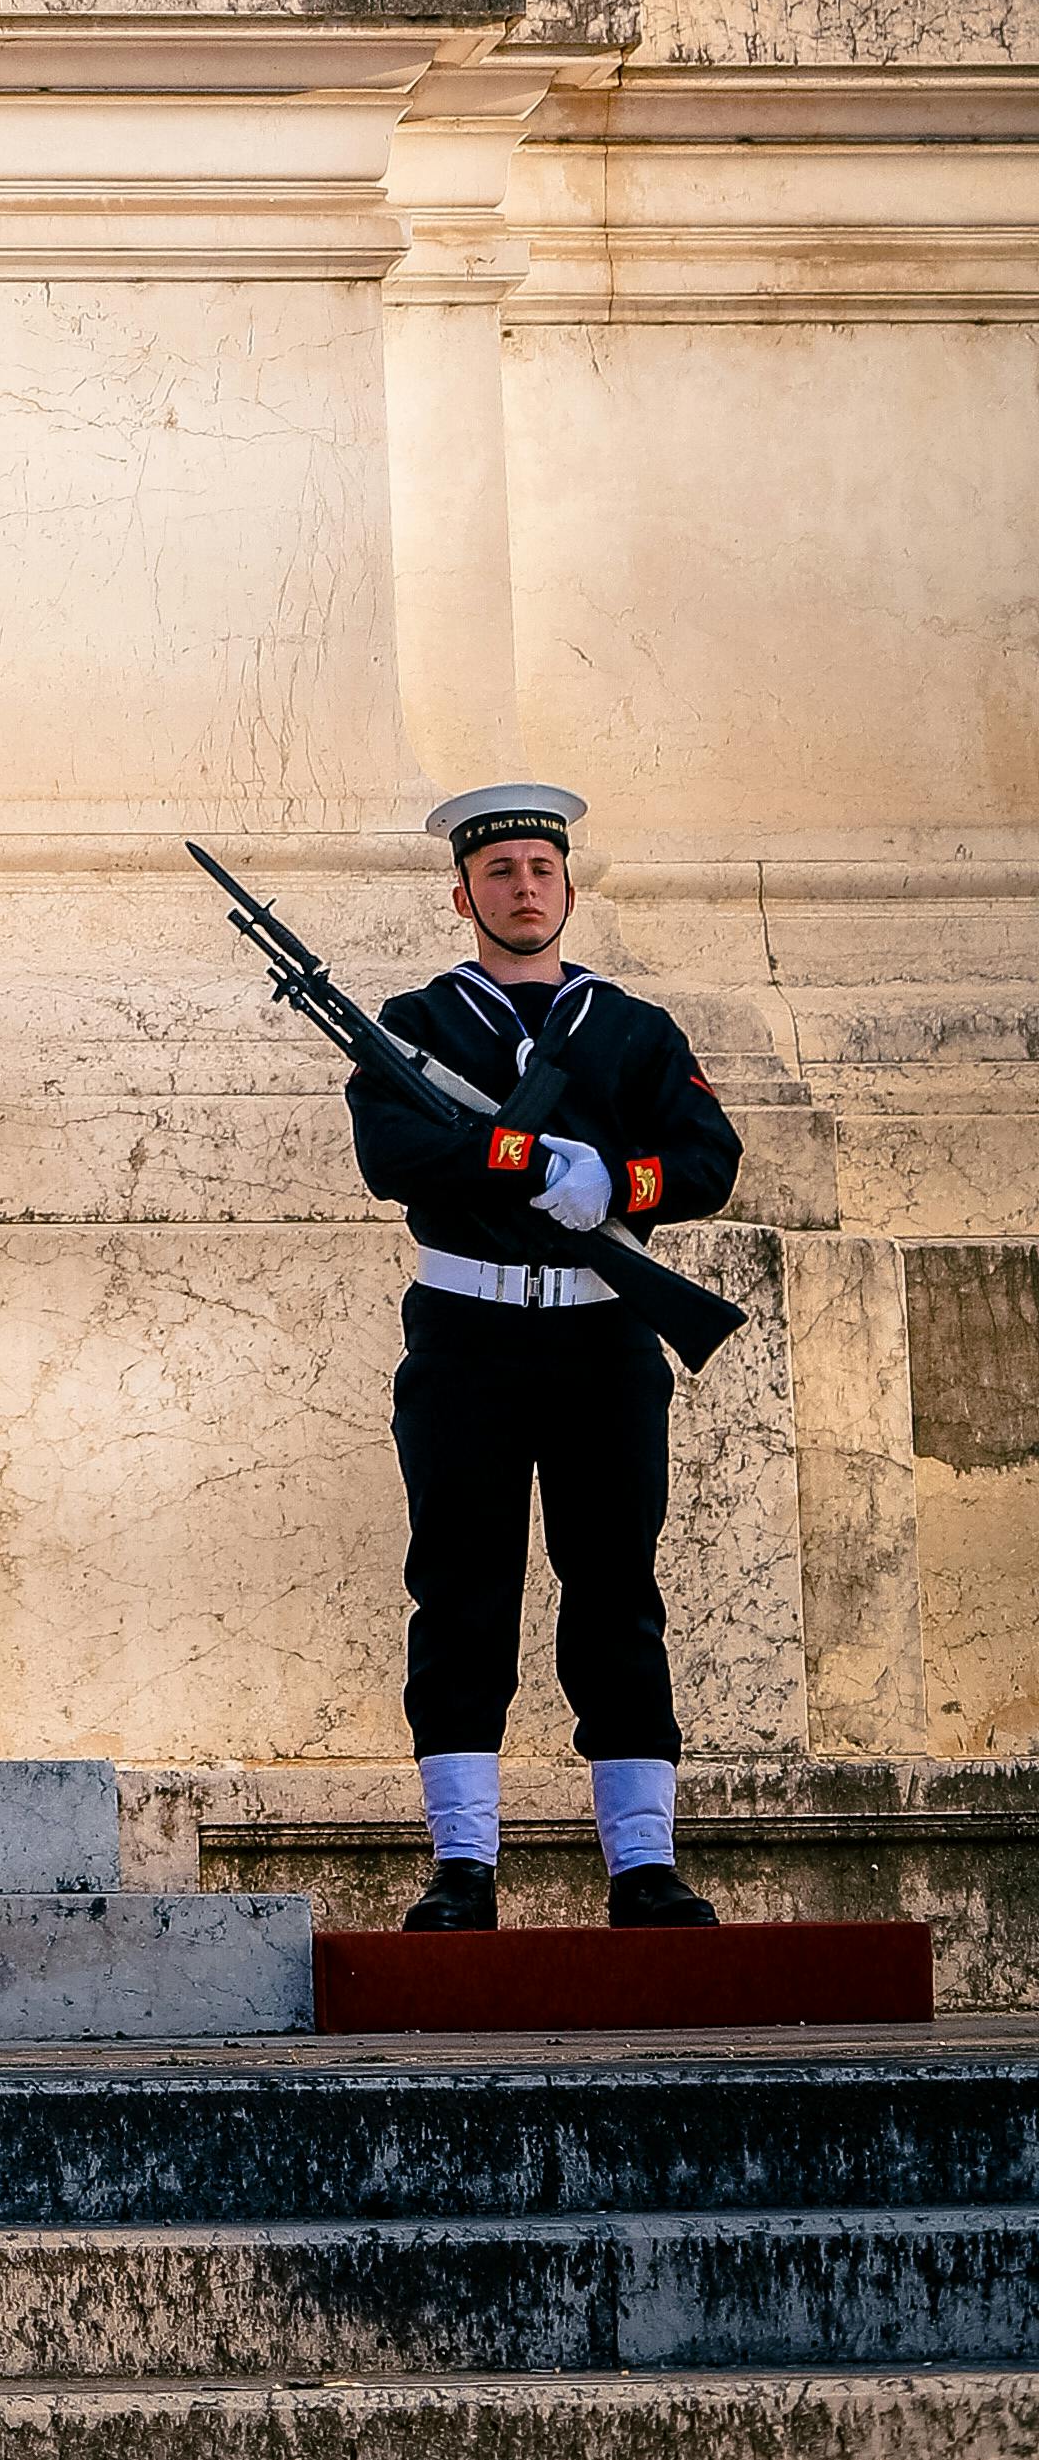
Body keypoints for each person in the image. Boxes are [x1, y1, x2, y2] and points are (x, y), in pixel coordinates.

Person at [348, 773, 742, 1932]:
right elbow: (396, 1159)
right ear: (459, 893)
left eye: (539, 869)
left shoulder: (630, 1029)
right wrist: (527, 1162)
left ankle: (641, 1864)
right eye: (497, 872)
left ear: (565, 884)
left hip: (601, 1338)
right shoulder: (411, 1026)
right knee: (460, 1592)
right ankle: (461, 1865)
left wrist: (614, 1184)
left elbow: (705, 1158)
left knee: (614, 1589)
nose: (522, 888)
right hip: (464, 1337)